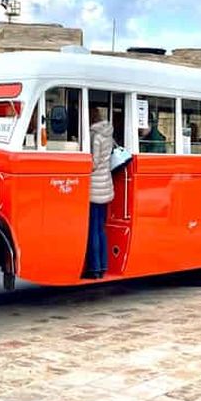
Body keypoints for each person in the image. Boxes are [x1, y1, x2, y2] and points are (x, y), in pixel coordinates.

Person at [85, 106, 114, 279]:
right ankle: (103, 265)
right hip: (106, 184)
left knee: (93, 228)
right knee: (101, 228)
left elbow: (94, 163)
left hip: (94, 185)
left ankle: (94, 268)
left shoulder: (96, 137)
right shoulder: (108, 134)